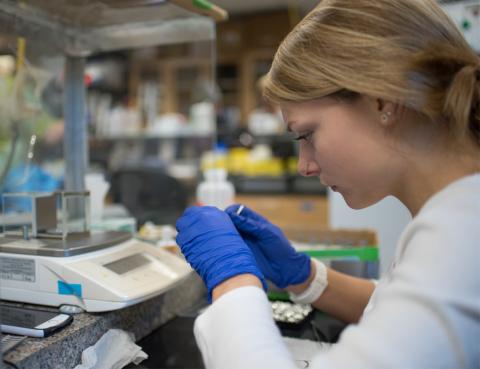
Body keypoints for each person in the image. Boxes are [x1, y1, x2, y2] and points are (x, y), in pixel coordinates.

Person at [175, 0, 480, 367]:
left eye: (307, 134)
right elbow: (403, 317)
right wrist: (305, 277)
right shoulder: (458, 213)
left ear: (383, 101)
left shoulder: (463, 234)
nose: (305, 166)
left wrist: (233, 281)